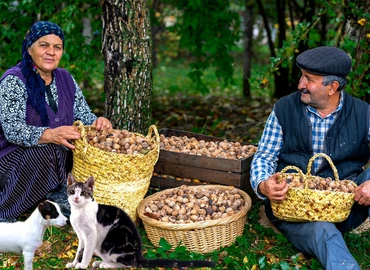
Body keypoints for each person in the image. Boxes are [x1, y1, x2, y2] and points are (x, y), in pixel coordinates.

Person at [250, 46, 370, 269]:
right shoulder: (284, 108)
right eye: (301, 76)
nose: (300, 85)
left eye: (309, 79)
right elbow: (264, 156)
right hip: (296, 211)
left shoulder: (363, 113)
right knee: (323, 231)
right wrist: (263, 185)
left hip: (345, 204)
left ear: (332, 87)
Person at [0, 21, 112, 222]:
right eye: (44, 45)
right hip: (12, 160)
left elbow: (84, 117)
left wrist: (99, 123)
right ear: (29, 48)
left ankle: (55, 196)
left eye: (57, 47)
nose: (51, 52)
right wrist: (51, 135)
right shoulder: (14, 80)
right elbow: (12, 130)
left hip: (56, 161)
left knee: (77, 153)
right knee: (46, 149)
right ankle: (5, 213)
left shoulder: (65, 78)